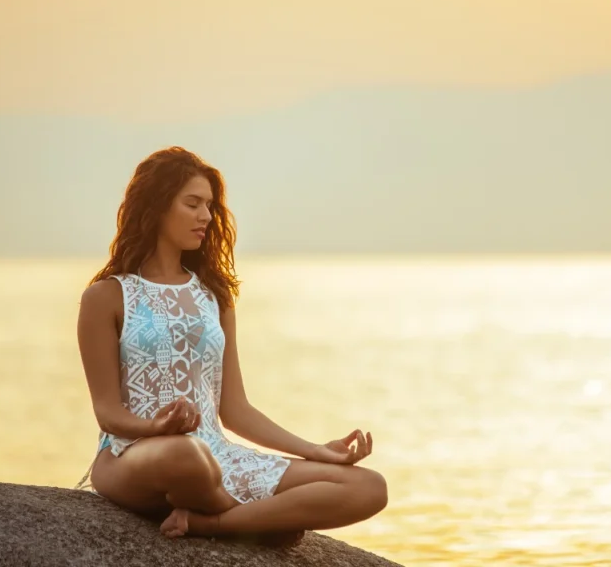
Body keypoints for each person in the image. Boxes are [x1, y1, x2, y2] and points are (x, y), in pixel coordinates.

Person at [73, 146, 388, 544]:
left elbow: (234, 410)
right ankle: (253, 519)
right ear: (155, 206)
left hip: (215, 457)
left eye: (209, 205)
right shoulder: (106, 297)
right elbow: (107, 412)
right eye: (193, 204)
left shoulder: (214, 297)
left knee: (368, 486)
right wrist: (157, 427)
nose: (206, 216)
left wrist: (316, 451)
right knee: (185, 454)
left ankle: (212, 523)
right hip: (132, 455)